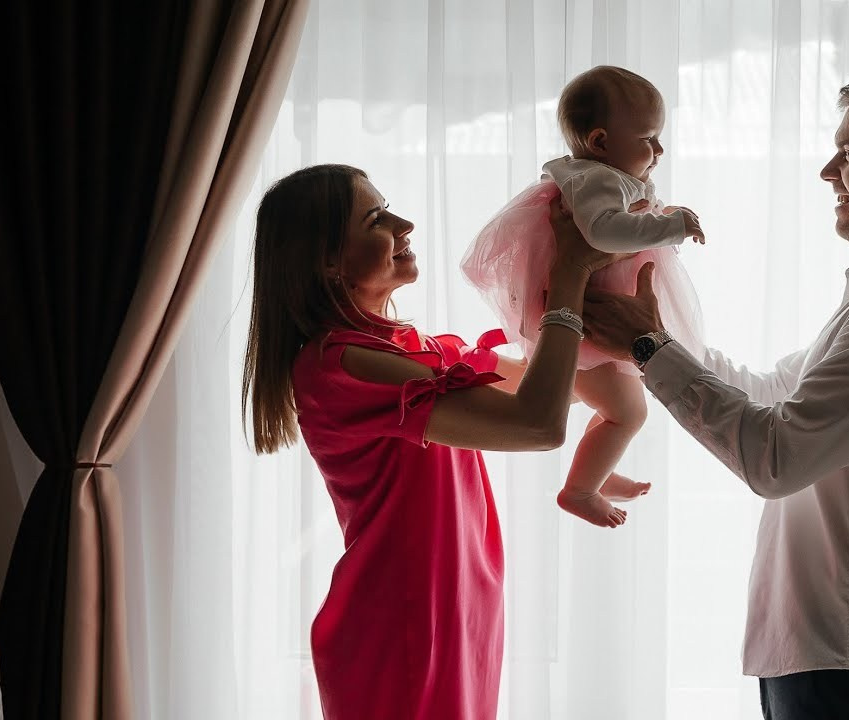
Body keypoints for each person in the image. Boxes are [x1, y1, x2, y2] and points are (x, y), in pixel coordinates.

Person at [582, 62, 849, 719]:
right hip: (831, 652)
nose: (827, 172)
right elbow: (775, 390)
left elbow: (777, 457)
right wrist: (651, 339)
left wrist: (649, 348)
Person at [241, 163, 625, 719]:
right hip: (401, 632)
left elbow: (558, 389)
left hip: (455, 616)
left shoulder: (409, 347)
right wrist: (568, 277)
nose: (405, 223)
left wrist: (612, 313)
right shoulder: (339, 366)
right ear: (327, 262)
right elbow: (537, 424)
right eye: (376, 218)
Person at [461, 65, 707, 528]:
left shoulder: (601, 177)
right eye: (649, 138)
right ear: (599, 142)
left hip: (590, 315)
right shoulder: (597, 180)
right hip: (584, 318)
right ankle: (579, 490)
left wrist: (659, 214)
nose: (658, 150)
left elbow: (623, 224)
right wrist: (672, 224)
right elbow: (604, 232)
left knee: (620, 404)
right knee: (628, 412)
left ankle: (598, 469)